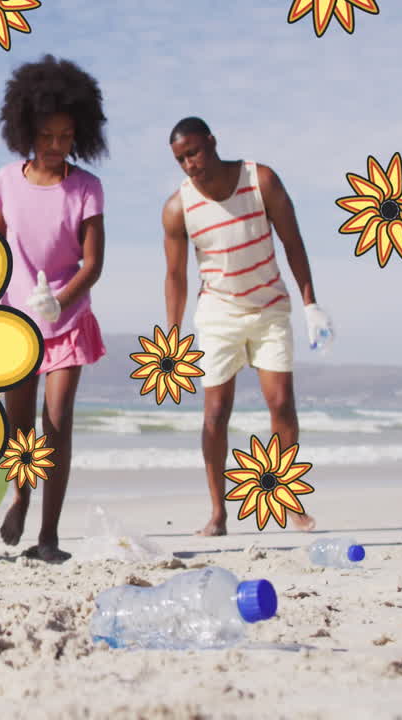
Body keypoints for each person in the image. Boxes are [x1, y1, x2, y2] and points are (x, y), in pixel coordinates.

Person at [160, 117, 328, 536]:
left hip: (269, 307)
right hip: (218, 314)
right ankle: (218, 514)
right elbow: (176, 276)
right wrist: (173, 332)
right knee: (215, 415)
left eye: (194, 153)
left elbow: (293, 241)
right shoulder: (177, 208)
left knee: (282, 406)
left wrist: (310, 304)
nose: (190, 165)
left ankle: (288, 499)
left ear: (212, 142)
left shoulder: (261, 180)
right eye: (181, 159)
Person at [0, 54, 108, 562]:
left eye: (66, 136)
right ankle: (20, 495)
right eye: (47, 137)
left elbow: (93, 263)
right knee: (18, 427)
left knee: (55, 422)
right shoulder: (6, 180)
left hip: (67, 318)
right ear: (26, 132)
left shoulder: (86, 188)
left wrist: (60, 301)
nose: (57, 146)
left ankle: (50, 537)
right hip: (16, 321)